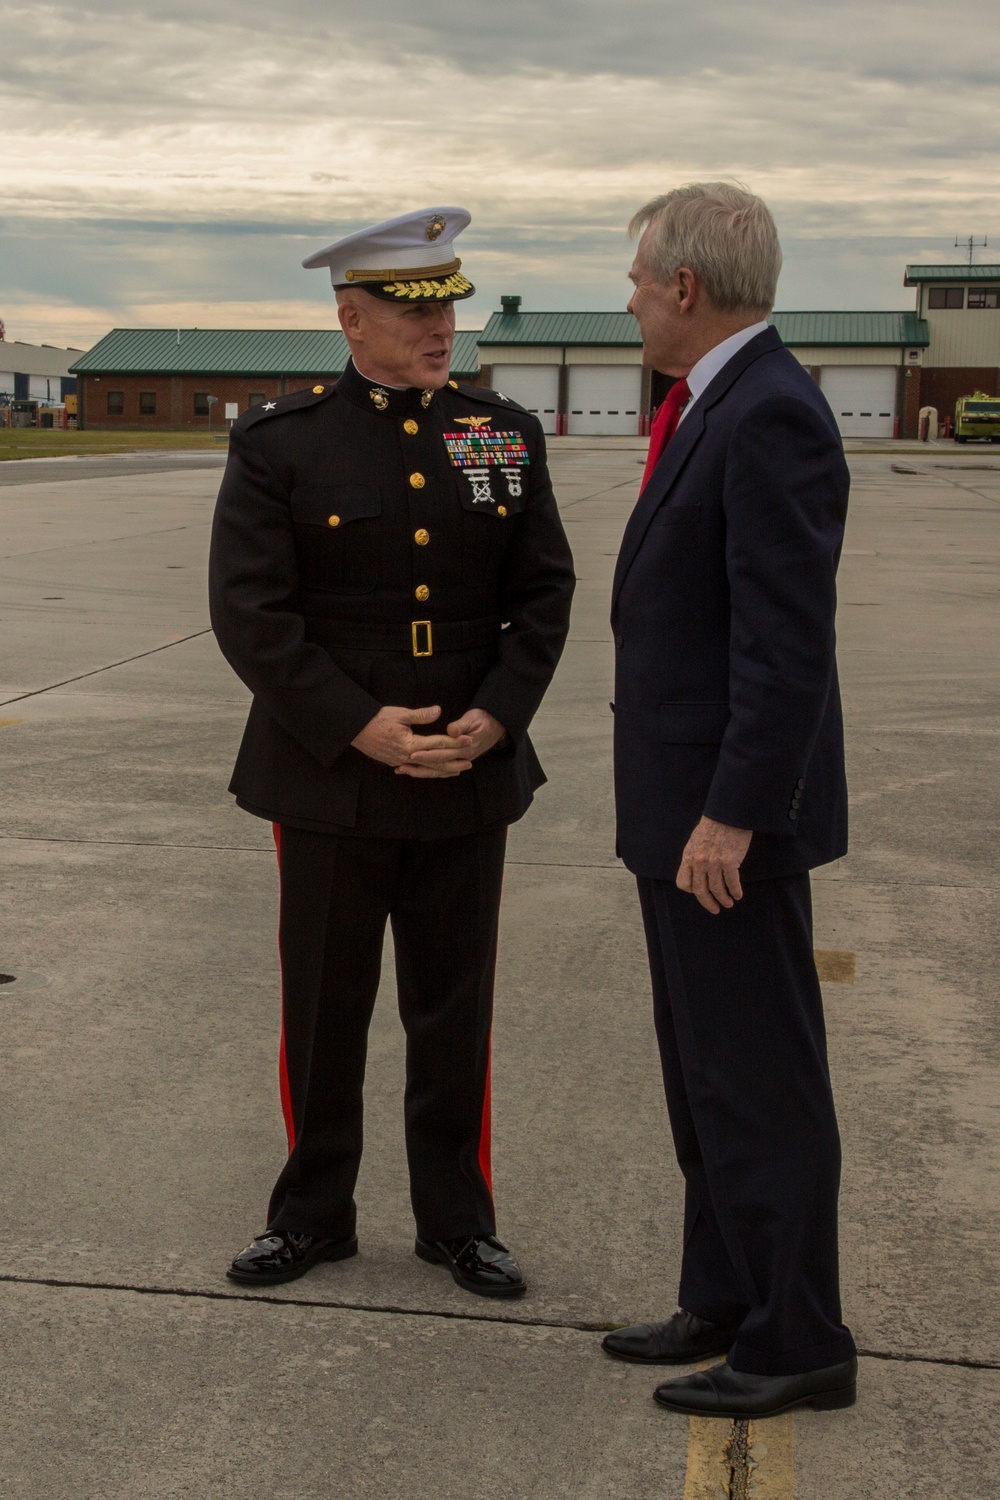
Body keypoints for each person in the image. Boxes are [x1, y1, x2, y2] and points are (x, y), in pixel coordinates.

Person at [209, 207, 574, 1297]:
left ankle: (457, 1220)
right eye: (416, 309)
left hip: (465, 770)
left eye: (449, 305)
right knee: (322, 1005)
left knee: (451, 1008)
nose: (441, 327)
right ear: (351, 317)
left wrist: (499, 715)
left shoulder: (501, 432)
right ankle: (312, 1214)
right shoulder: (283, 441)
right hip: (329, 775)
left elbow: (543, 592)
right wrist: (356, 724)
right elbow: (250, 611)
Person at [602, 183, 857, 1416]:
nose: (633, 300)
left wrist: (734, 814)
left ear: (686, 289)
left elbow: (784, 645)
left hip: (725, 828)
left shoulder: (767, 415)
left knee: (760, 1083)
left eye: (642, 281)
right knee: (703, 1071)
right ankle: (724, 1294)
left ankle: (798, 1336)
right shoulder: (712, 401)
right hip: (683, 812)